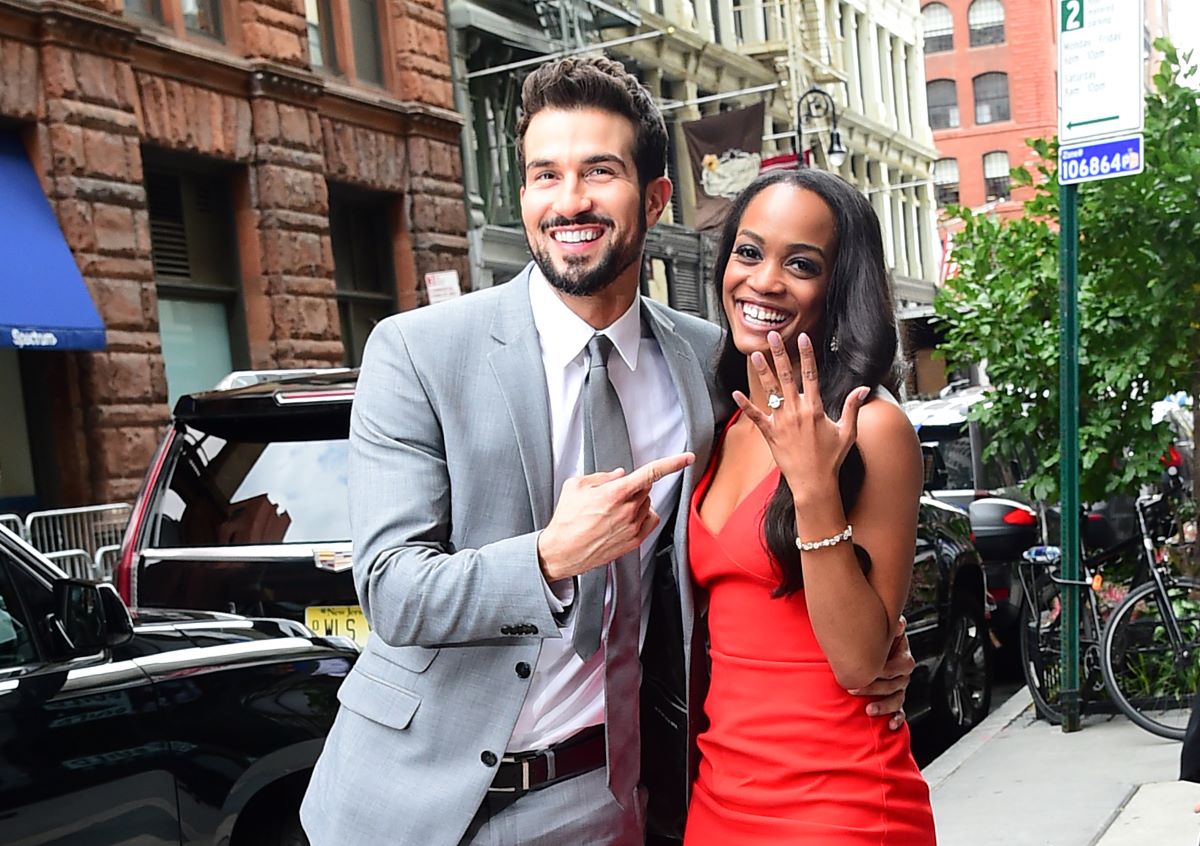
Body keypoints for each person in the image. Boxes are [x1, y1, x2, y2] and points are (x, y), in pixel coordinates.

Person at [300, 58, 912, 846]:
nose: (569, 202)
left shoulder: (707, 365)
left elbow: (751, 575)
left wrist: (877, 643)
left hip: (604, 799)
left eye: (599, 172)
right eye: (543, 175)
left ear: (656, 197)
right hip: (409, 805)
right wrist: (550, 557)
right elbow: (390, 592)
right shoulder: (417, 350)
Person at [684, 169, 936, 845]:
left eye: (800, 263)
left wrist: (813, 487)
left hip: (839, 805)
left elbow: (859, 661)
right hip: (719, 800)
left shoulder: (872, 427)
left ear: (838, 288)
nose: (763, 281)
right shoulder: (724, 421)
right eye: (748, 251)